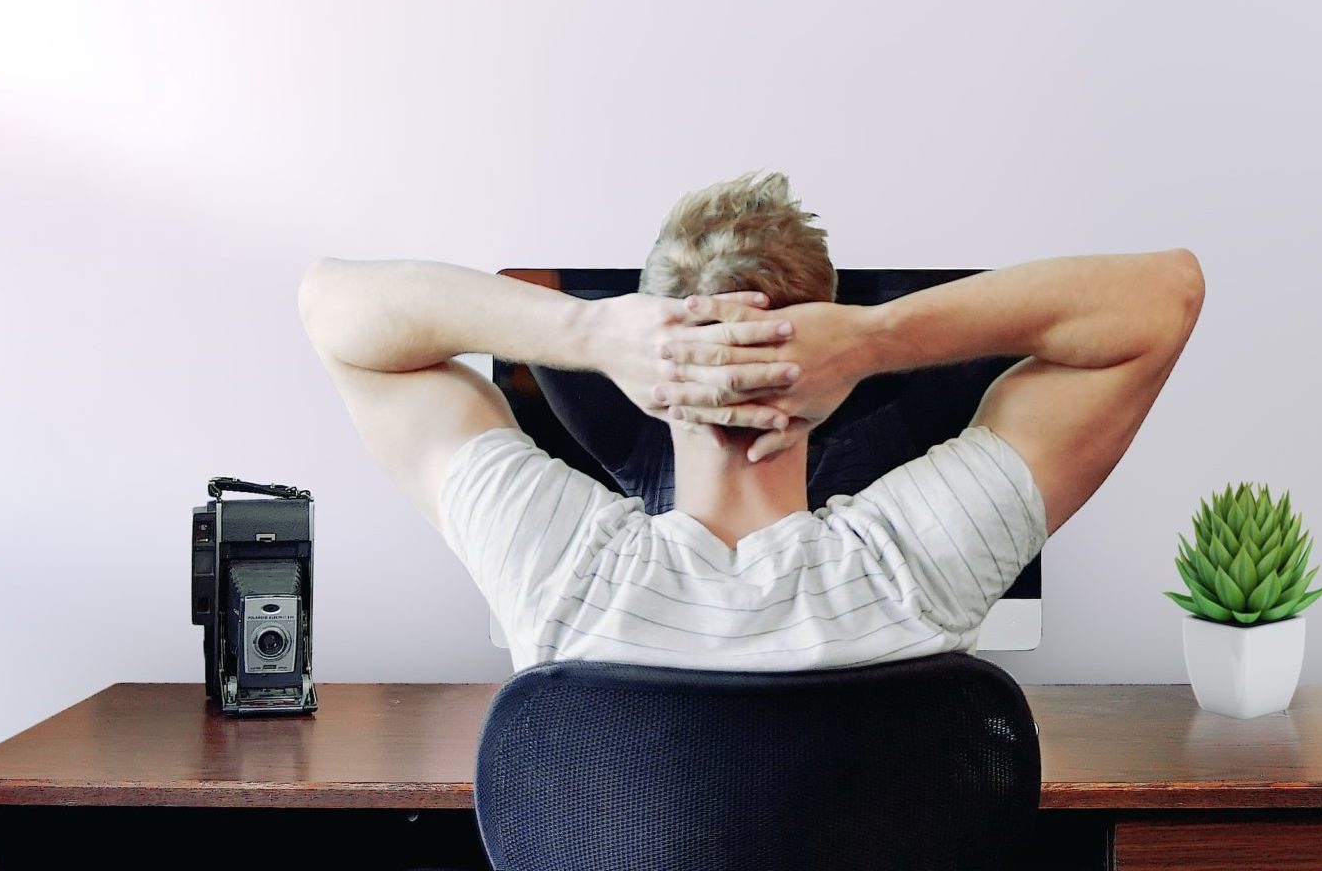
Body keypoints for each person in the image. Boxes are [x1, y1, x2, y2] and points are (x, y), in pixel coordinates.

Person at [298, 172, 1204, 671]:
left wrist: (591, 332)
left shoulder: (557, 570)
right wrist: (876, 337)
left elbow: (331, 308)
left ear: (653, 361)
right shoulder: (917, 567)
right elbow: (1165, 298)